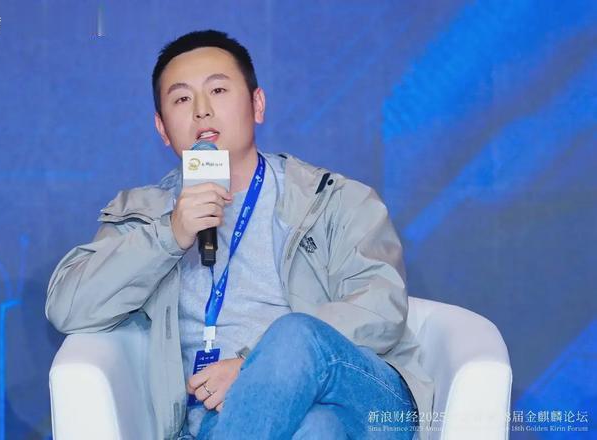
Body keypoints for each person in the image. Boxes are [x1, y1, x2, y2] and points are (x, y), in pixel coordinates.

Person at [46, 29, 434, 439]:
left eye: (217, 90)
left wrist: (254, 366)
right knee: (318, 429)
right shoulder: (145, 215)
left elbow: (379, 306)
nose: (202, 111)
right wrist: (170, 234)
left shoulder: (334, 200)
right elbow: (68, 306)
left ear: (257, 104)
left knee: (296, 337)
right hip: (223, 423)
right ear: (162, 128)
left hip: (359, 400)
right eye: (182, 99)